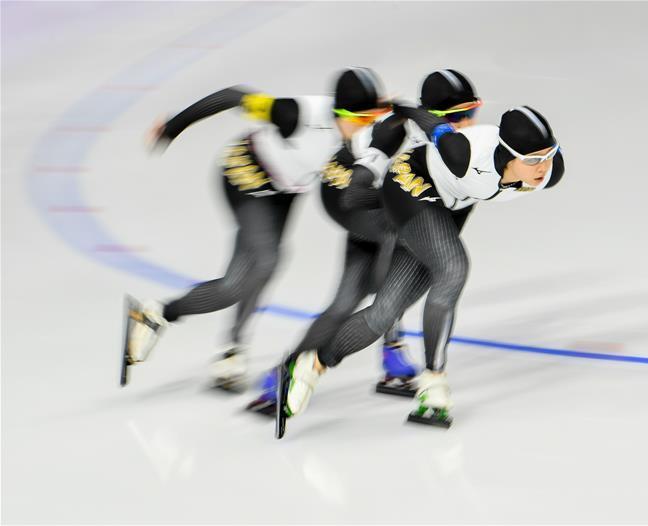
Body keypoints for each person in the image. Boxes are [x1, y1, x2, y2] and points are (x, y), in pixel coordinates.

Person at [274, 104, 565, 437]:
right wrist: (397, 114)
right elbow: (429, 121)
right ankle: (434, 381)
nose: (544, 167)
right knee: (453, 267)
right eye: (533, 160)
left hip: (448, 206)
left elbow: (533, 167)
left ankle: (310, 365)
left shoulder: (550, 172)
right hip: (411, 184)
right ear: (508, 154)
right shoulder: (464, 153)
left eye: (549, 155)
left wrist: (544, 159)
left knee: (384, 312)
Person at [121, 68, 391, 392]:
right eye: (360, 119)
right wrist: (172, 126)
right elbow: (232, 96)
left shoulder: (363, 123)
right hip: (246, 177)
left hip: (286, 189)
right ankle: (181, 323)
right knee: (264, 262)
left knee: (244, 277)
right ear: (339, 113)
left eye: (371, 118)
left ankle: (183, 326)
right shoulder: (295, 114)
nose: (366, 126)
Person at [246, 69, 483, 414]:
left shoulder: (456, 144)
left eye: (472, 112)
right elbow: (359, 195)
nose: (467, 123)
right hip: (351, 198)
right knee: (380, 277)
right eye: (456, 116)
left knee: (357, 295)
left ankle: (381, 353)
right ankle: (296, 370)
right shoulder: (401, 135)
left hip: (377, 205)